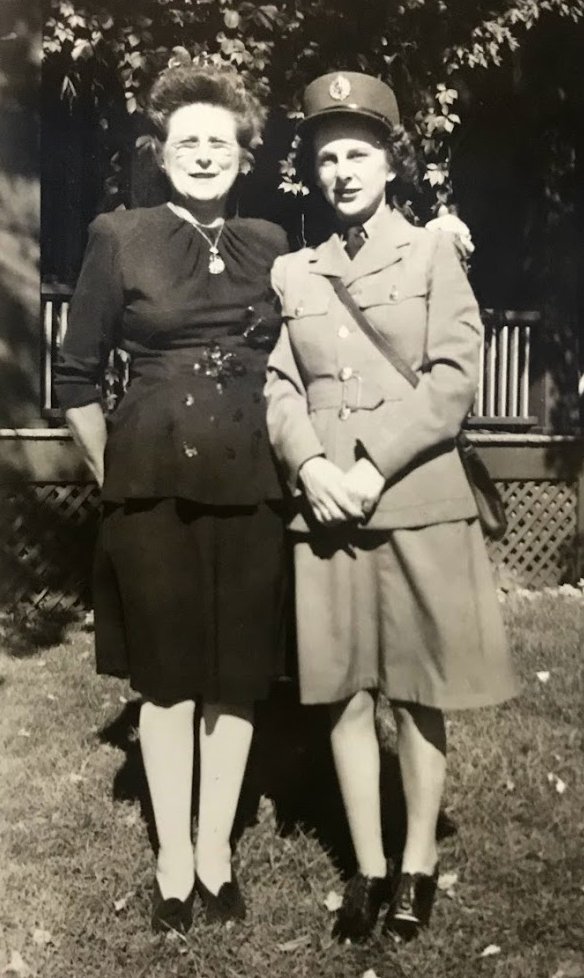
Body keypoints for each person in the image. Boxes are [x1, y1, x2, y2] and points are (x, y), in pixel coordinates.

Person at [265, 72, 518, 944]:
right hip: (327, 509)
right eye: (327, 155)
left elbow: (453, 382)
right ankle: (366, 870)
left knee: (416, 693)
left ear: (389, 162)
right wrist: (307, 466)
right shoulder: (295, 270)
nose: (342, 171)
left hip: (413, 499)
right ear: (312, 167)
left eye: (358, 154)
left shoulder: (434, 252)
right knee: (340, 692)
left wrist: (369, 465)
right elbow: (280, 387)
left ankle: (416, 865)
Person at [54, 64, 289, 934]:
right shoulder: (120, 236)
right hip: (151, 488)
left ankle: (218, 850)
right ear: (161, 152)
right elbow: (76, 376)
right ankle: (173, 863)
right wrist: (120, 469)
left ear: (243, 155)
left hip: (252, 481)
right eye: (186, 140)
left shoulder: (274, 240)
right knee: (167, 678)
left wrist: (445, 230)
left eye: (218, 142)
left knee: (235, 677)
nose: (202, 155)